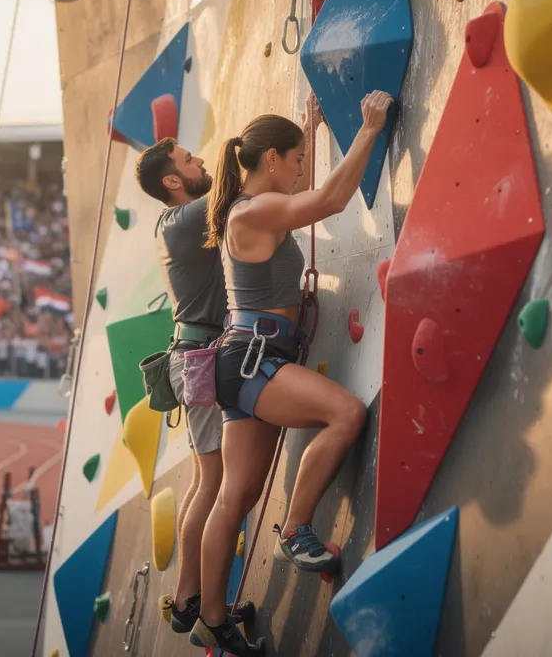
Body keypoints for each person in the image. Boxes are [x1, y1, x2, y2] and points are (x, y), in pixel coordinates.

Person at [190, 91, 393, 655]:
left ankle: (211, 618)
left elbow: (305, 192)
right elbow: (328, 200)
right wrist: (369, 129)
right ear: (272, 160)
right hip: (254, 361)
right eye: (296, 158)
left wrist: (309, 128)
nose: (302, 167)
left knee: (237, 495)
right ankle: (297, 528)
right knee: (346, 414)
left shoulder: (255, 207)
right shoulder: (252, 212)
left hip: (245, 360)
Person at [133, 137, 254, 638]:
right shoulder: (184, 219)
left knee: (207, 479)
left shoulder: (172, 222)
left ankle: (192, 598)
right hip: (202, 357)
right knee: (212, 481)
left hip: (195, 354)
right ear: (172, 181)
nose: (198, 160)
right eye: (188, 160)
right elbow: (242, 187)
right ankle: (191, 600)